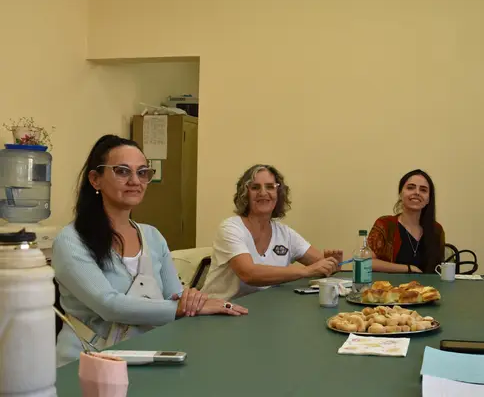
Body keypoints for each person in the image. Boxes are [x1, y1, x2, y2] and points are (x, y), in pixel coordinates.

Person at [53, 135, 247, 366]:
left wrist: (192, 300)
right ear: (95, 179)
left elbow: (174, 296)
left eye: (142, 172)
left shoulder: (152, 236)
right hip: (88, 362)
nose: (135, 180)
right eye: (122, 171)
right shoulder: (71, 240)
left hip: (147, 354)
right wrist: (183, 306)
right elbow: (109, 306)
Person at [201, 164, 343, 300]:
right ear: (245, 194)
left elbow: (320, 264)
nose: (263, 193)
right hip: (220, 309)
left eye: (270, 187)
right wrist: (307, 271)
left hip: (261, 309)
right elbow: (249, 274)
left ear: (278, 193)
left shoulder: (285, 234)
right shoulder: (230, 228)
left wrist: (333, 264)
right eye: (255, 187)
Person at [368, 169, 445, 274]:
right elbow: (366, 262)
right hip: (389, 284)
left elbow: (439, 269)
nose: (417, 192)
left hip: (427, 285)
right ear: (400, 194)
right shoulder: (385, 224)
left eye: (423, 190)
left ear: (428, 199)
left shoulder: (437, 230)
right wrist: (408, 268)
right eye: (410, 188)